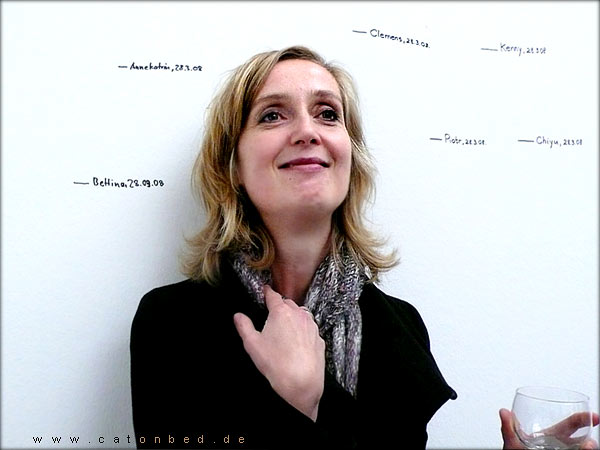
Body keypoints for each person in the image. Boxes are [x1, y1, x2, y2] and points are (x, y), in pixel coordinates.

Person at [129, 45, 597, 449]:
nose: (308, 131)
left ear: (348, 155)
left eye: (327, 114)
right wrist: (299, 400)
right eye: (272, 115)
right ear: (232, 165)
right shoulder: (172, 322)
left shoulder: (400, 327)